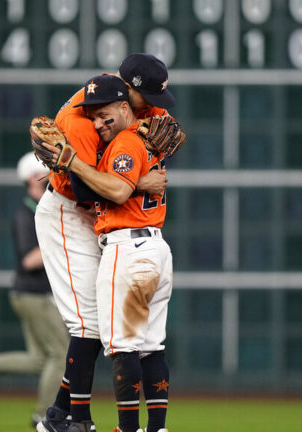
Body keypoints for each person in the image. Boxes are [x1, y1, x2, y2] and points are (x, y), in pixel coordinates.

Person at [35, 54, 175, 432]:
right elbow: (86, 188)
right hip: (68, 211)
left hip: (116, 229)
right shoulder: (81, 125)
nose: (154, 107)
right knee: (93, 328)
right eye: (146, 96)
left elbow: (169, 131)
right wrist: (138, 181)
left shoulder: (131, 113)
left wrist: (137, 173)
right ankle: (76, 421)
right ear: (125, 92)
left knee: (110, 332)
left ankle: (61, 416)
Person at [0, 152, 70, 428]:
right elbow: (29, 259)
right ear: (32, 179)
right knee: (62, 354)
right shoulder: (26, 213)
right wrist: (60, 239)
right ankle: (43, 416)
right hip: (32, 294)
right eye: (46, 176)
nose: (52, 181)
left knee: (40, 359)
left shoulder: (41, 209)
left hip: (32, 294)